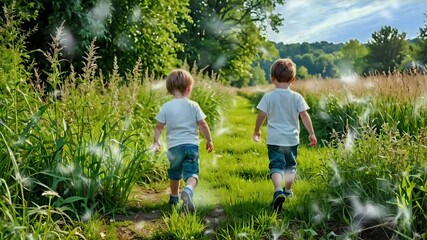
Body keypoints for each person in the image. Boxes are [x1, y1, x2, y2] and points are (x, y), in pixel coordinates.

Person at [252, 58, 317, 212]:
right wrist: (312, 133)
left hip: (274, 139)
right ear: (293, 79)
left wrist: (257, 130)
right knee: (290, 166)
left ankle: (278, 190)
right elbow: (304, 115)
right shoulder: (297, 97)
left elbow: (261, 115)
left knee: (276, 165)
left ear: (272, 79)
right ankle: (288, 191)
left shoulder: (268, 96)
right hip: (291, 139)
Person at [153, 69, 214, 213]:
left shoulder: (166, 107)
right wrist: (209, 140)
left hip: (174, 148)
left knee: (174, 172)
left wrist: (156, 142)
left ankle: (174, 197)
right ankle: (188, 189)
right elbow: (203, 124)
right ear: (188, 88)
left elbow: (159, 127)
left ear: (169, 89)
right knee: (192, 172)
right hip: (191, 146)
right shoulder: (193, 105)